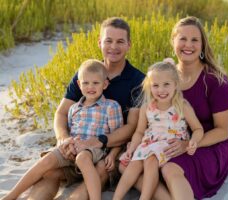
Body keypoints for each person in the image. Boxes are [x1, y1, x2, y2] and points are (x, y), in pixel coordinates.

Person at [24, 17, 145, 200]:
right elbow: (62, 112)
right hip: (78, 142)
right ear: (99, 42)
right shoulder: (87, 72)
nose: (114, 46)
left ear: (129, 44)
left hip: (113, 148)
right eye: (108, 40)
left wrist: (99, 141)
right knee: (50, 173)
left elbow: (131, 127)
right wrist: (63, 139)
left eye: (120, 41)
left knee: (100, 170)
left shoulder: (137, 80)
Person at [120, 16, 228, 200]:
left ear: (202, 45)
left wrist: (188, 144)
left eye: (194, 40)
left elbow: (223, 131)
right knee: (126, 165)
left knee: (169, 168)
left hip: (206, 145)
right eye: (182, 38)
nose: (188, 45)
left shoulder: (215, 80)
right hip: (167, 140)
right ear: (173, 41)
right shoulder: (165, 77)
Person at [2, 59, 123, 200]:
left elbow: (117, 136)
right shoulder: (74, 108)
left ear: (105, 84)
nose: (90, 87)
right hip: (73, 148)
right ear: (79, 84)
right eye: (86, 83)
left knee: (83, 157)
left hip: (93, 150)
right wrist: (67, 143)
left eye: (96, 83)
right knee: (47, 160)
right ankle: (11, 195)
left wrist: (113, 154)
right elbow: (71, 131)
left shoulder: (111, 106)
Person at [113, 61, 204, 200]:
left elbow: (198, 129)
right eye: (155, 85)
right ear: (149, 87)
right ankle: (116, 197)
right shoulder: (146, 107)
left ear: (175, 84)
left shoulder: (182, 106)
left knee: (150, 159)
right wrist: (131, 149)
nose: (161, 90)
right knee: (133, 165)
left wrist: (193, 141)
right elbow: (139, 132)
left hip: (170, 145)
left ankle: (145, 197)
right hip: (149, 143)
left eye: (166, 84)